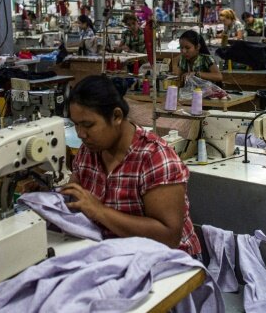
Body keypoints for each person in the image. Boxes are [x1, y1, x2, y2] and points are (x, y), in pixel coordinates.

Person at [60, 75, 201, 255]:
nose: (81, 134)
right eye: (76, 125)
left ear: (117, 116)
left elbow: (169, 237)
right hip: (115, 252)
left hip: (169, 262)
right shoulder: (89, 151)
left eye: (88, 125)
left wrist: (99, 211)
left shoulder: (154, 157)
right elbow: (75, 196)